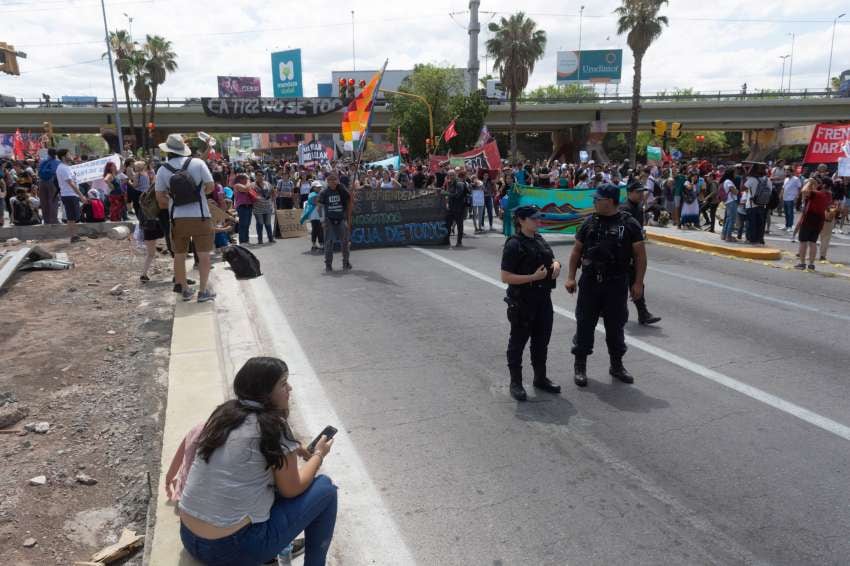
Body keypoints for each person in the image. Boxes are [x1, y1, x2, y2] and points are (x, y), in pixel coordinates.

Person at [178, 357, 337, 566]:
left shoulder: (224, 414)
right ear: (265, 392)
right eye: (283, 383)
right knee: (325, 489)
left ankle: (274, 551)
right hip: (232, 550)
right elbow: (292, 489)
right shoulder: (273, 427)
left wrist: (293, 446)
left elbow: (246, 453)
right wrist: (318, 455)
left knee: (263, 485)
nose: (289, 388)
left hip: (190, 537)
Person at [565, 184, 647, 387]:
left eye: (597, 199)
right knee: (584, 324)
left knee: (615, 326)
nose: (594, 202)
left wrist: (638, 283)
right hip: (591, 282)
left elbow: (640, 256)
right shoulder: (589, 223)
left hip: (617, 284)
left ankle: (616, 365)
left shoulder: (629, 224)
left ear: (610, 201)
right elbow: (576, 251)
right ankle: (580, 365)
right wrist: (570, 277)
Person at [500, 205, 562, 401]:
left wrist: (556, 265)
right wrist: (532, 277)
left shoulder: (538, 239)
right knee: (518, 343)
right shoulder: (514, 244)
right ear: (521, 220)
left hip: (543, 299)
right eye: (534, 219)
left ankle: (540, 378)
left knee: (541, 341)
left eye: (539, 218)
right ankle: (516, 382)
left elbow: (552, 259)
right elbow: (505, 277)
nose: (538, 221)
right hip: (523, 301)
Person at [154, 134, 216, 302]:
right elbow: (211, 186)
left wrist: (176, 201)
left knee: (179, 255)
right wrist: (198, 194)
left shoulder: (163, 169)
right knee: (204, 255)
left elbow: (160, 199)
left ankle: (185, 291)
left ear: (168, 151)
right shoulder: (198, 163)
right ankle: (203, 292)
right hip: (201, 216)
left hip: (177, 219)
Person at [621, 182, 661, 325]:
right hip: (623, 252)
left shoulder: (638, 207)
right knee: (620, 283)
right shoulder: (624, 209)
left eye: (641, 192)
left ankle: (643, 314)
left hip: (634, 250)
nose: (640, 194)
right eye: (637, 192)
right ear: (629, 192)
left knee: (637, 283)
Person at [316, 173, 352, 272]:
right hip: (329, 220)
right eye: (330, 180)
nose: (332, 182)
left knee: (345, 242)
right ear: (327, 181)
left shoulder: (342, 190)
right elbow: (319, 207)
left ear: (337, 180)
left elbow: (349, 199)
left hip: (341, 219)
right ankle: (328, 264)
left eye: (334, 180)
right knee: (329, 243)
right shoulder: (324, 192)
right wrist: (322, 220)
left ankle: (346, 262)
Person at [795, 177, 832, 271]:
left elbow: (803, 191)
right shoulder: (828, 194)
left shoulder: (815, 193)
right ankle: (811, 264)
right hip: (819, 221)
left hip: (809, 219)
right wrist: (813, 183)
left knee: (803, 242)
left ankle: (802, 263)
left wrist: (810, 181)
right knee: (813, 242)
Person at [55, 149, 88, 242]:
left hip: (69, 195)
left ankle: (74, 236)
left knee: (72, 217)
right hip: (69, 195)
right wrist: (81, 196)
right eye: (68, 154)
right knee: (72, 217)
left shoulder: (66, 167)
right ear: (63, 157)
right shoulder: (63, 168)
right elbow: (71, 183)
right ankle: (73, 236)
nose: (70, 155)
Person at [443, 170, 468, 247]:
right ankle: (447, 241)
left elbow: (457, 195)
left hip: (459, 208)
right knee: (447, 224)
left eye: (452, 175)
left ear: (455, 175)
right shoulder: (449, 183)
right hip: (451, 208)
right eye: (449, 175)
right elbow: (449, 195)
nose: (450, 177)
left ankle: (459, 242)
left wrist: (447, 193)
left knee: (459, 225)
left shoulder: (459, 184)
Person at [36, 148, 61, 224]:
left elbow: (38, 172)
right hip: (52, 181)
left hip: (41, 182)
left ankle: (46, 220)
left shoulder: (42, 161)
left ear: (48, 153)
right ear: (56, 154)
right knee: (53, 200)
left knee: (44, 201)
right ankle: (53, 220)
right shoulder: (57, 162)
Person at [252, 171, 276, 245]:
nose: (260, 177)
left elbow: (273, 192)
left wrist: (273, 202)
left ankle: (270, 238)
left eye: (261, 175)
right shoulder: (252, 185)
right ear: (255, 176)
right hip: (258, 208)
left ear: (264, 176)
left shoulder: (267, 184)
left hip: (268, 207)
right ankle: (260, 239)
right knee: (260, 223)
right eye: (258, 175)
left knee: (268, 223)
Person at [300, 181, 324, 252]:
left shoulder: (316, 194)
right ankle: (320, 244)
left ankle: (314, 245)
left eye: (320, 187)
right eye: (318, 187)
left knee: (316, 229)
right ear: (313, 188)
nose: (319, 188)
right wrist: (326, 205)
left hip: (316, 215)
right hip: (315, 215)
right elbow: (318, 204)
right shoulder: (313, 194)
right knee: (318, 229)